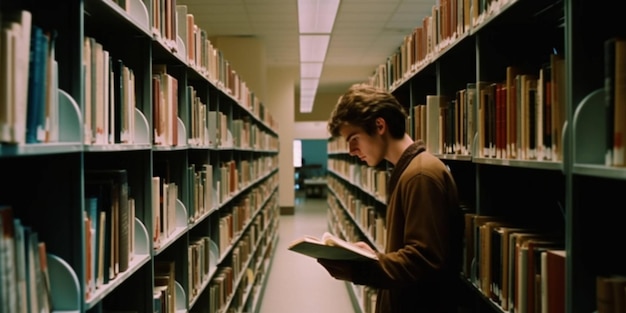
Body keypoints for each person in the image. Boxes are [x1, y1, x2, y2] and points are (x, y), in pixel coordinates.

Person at [319, 83, 463, 313]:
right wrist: (371, 257)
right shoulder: (408, 171)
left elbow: (423, 261)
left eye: (354, 139)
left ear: (379, 125)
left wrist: (360, 269)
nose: (351, 151)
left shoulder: (421, 175)